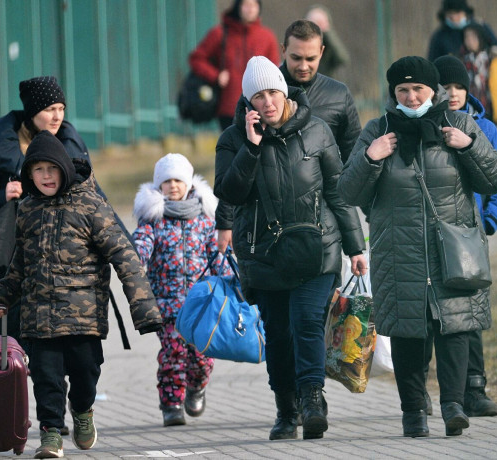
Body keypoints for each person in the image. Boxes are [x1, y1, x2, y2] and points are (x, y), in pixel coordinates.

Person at [337, 56, 497, 438]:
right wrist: (369, 157)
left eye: (419, 89)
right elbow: (347, 191)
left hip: (453, 251)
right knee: (408, 335)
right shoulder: (377, 131)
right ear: (392, 93)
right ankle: (413, 412)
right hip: (399, 252)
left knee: (455, 329)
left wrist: (469, 147)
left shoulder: (459, 124)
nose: (411, 97)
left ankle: (453, 406)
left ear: (435, 91)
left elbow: (496, 179)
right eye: (403, 90)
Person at [214, 56, 368, 441]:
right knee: (279, 335)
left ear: (284, 92)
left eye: (272, 93)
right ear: (249, 102)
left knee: (306, 322)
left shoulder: (316, 131)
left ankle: (313, 399)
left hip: (317, 249)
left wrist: (356, 247)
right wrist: (251, 148)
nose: (267, 102)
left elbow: (338, 191)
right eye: (258, 96)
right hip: (263, 255)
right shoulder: (233, 139)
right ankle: (286, 410)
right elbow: (229, 193)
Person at [0, 131, 162, 458]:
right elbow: (20, 260)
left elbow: (125, 255)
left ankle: (83, 411)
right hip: (39, 316)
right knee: (45, 377)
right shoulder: (26, 209)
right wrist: (2, 296)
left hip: (83, 316)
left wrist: (144, 307)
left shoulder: (90, 205)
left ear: (64, 168)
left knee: (86, 372)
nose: (46, 176)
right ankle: (50, 433)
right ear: (29, 174)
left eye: (52, 168)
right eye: (38, 170)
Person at [0, 76, 127, 348]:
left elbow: (97, 201)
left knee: (52, 347)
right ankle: (13, 390)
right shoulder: (2, 145)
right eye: (50, 109)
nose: (57, 116)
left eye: (61, 108)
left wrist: (126, 246)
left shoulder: (70, 146)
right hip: (4, 262)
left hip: (56, 264)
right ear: (33, 111)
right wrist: (2, 194)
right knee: (10, 341)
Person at [216, 19, 362, 253]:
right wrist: (225, 222)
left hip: (320, 220)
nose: (303, 66)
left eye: (311, 59)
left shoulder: (338, 95)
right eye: (296, 58)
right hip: (268, 219)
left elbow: (352, 159)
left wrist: (359, 227)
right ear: (283, 50)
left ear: (322, 52)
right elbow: (236, 160)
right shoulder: (256, 93)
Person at [430, 54, 497, 417]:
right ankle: (442, 390)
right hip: (435, 235)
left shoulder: (485, 128)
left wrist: (490, 220)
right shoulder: (427, 126)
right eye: (444, 87)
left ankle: (475, 388)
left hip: (471, 235)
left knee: (472, 313)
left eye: (458, 87)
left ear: (468, 89)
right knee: (439, 315)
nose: (452, 93)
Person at [132, 153, 228, 427]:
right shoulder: (153, 219)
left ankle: (197, 387)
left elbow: (219, 253)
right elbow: (141, 245)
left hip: (201, 304)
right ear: (158, 186)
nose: (173, 185)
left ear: (188, 183)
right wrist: (135, 259)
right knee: (173, 352)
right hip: (167, 303)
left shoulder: (206, 219)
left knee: (201, 357)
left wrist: (230, 276)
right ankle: (172, 403)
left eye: (178, 180)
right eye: (166, 181)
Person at [188, 0, 280, 131]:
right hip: (228, 107)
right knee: (232, 148)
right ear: (238, 7)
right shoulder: (220, 33)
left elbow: (274, 71)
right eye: (246, 5)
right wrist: (216, 76)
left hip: (259, 107)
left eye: (254, 5)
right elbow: (196, 58)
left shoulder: (267, 37)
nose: (250, 9)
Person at [461, 23, 497, 125]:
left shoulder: (494, 58)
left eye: (473, 37)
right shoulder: (462, 60)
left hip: (490, 108)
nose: (470, 40)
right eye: (467, 37)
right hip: (469, 109)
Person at [427, 0, 497, 62]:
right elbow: (432, 61)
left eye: (458, 14)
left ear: (465, 13)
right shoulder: (440, 36)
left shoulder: (480, 28)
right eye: (450, 15)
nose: (454, 18)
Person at [305, 4, 351, 80]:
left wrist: (327, 32)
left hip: (327, 84)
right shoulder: (299, 43)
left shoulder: (329, 45)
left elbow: (342, 58)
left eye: (319, 23)